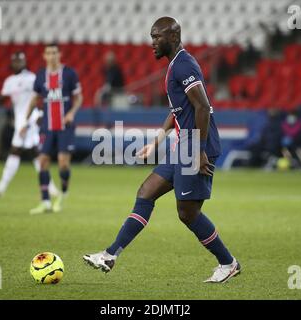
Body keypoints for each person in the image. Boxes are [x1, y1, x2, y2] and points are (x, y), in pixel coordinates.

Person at [83, 17, 241, 283]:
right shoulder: (175, 65)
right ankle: (110, 255)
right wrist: (156, 142)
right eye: (151, 37)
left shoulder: (184, 64)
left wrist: (200, 151)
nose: (152, 43)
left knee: (187, 214)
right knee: (145, 193)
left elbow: (202, 107)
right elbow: (179, 110)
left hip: (195, 146)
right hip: (184, 146)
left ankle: (228, 263)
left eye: (157, 37)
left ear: (174, 37)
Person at [0, 52, 59, 197]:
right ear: (12, 63)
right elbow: (4, 99)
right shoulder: (9, 81)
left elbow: (43, 96)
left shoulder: (32, 78)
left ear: (25, 62)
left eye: (20, 61)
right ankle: (50, 187)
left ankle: (2, 187)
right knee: (34, 154)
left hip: (30, 119)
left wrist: (41, 115)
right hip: (20, 120)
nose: (18, 64)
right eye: (15, 61)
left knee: (17, 151)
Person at [22, 44, 83, 214]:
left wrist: (71, 113)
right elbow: (34, 100)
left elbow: (78, 98)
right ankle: (45, 201)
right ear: (44, 55)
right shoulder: (41, 75)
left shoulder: (70, 73)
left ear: (59, 54)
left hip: (65, 127)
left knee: (63, 164)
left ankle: (62, 195)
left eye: (54, 52)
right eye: (48, 53)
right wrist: (25, 122)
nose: (52, 55)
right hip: (47, 127)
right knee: (42, 162)